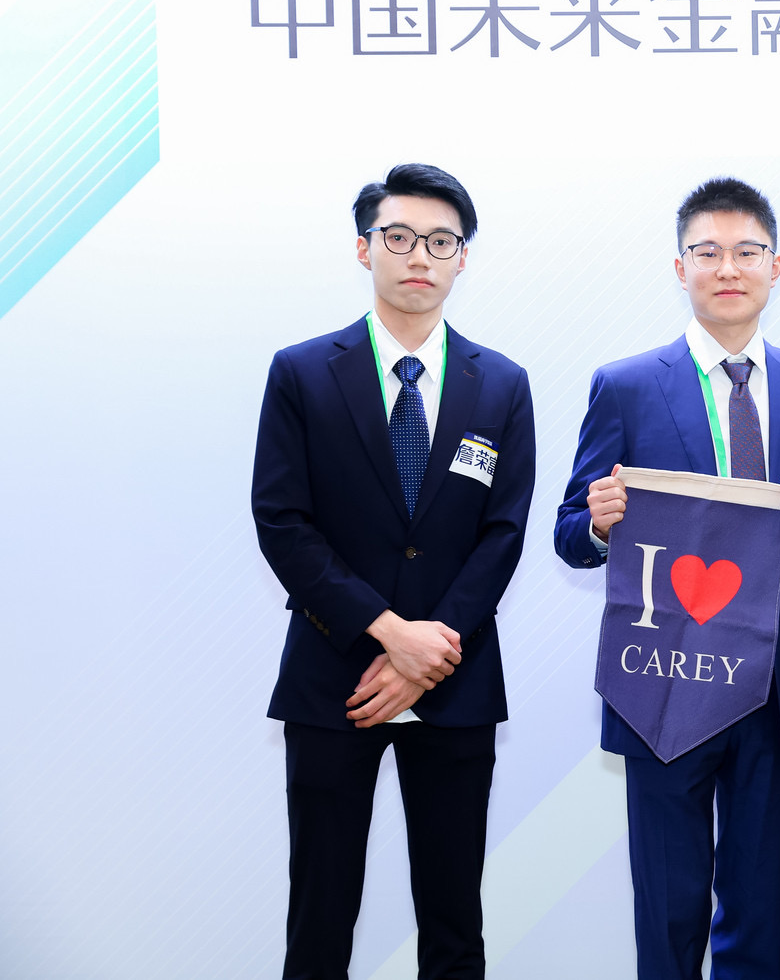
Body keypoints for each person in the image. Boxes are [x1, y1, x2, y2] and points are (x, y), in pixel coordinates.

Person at [251, 163, 537, 980]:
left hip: (456, 678)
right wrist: (387, 633)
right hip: (333, 673)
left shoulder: (502, 383)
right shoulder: (303, 372)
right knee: (322, 911)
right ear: (364, 247)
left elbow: (504, 532)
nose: (420, 255)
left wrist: (432, 649)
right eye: (400, 237)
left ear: (462, 259)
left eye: (441, 241)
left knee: (454, 918)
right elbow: (282, 520)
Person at [553, 177, 780, 980]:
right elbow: (571, 535)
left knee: (756, 907)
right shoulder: (629, 384)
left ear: (777, 266)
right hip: (663, 683)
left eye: (747, 252)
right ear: (680, 268)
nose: (728, 269)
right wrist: (601, 521)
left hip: (774, 684)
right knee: (668, 908)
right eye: (707, 253)